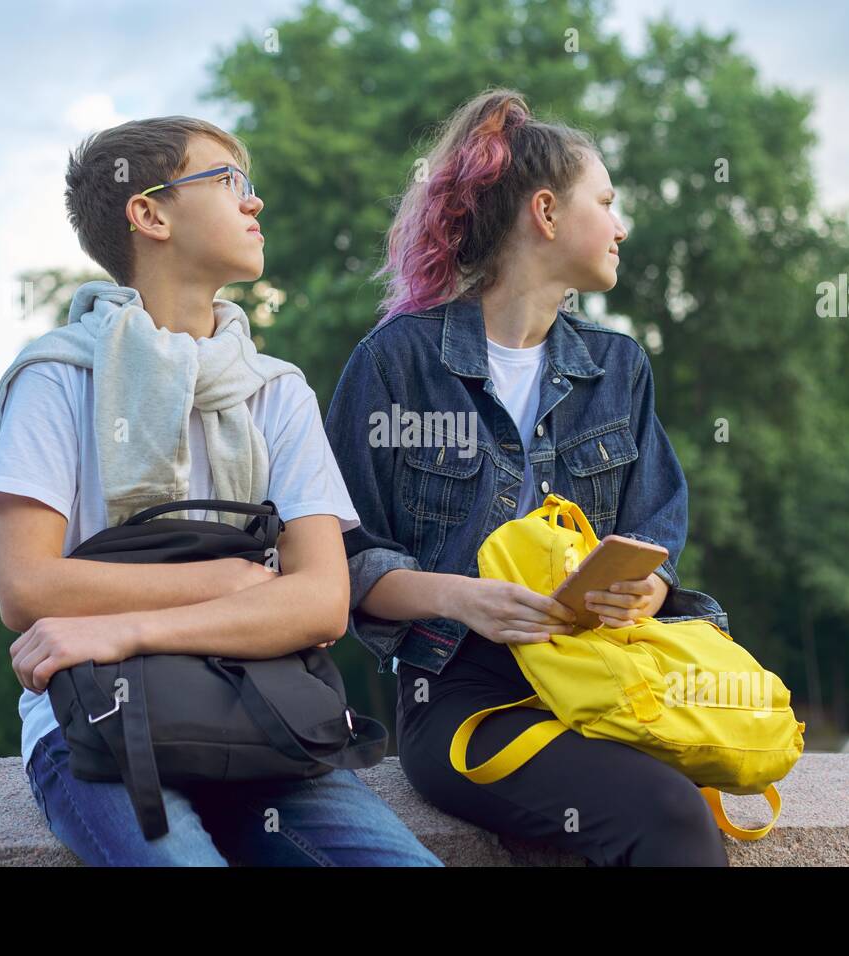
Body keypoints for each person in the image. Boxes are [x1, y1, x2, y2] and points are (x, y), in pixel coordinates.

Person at [0, 115, 440, 867]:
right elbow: (26, 588)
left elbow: (320, 603)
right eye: (228, 181)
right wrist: (228, 583)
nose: (254, 203)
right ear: (149, 211)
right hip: (100, 724)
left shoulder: (275, 391)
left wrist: (123, 626)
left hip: (261, 717)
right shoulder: (57, 376)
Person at [325, 90, 731, 866]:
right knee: (669, 816)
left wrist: (642, 588)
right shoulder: (394, 362)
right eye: (606, 202)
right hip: (460, 693)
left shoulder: (619, 368)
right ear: (546, 212)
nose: (621, 225)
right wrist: (463, 598)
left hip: (606, 674)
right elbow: (340, 563)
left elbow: (654, 540)